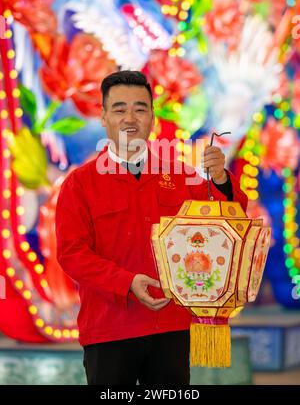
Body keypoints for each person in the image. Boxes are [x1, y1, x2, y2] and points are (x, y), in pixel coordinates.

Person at [56, 70, 248, 386]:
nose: (130, 117)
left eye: (140, 108)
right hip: (109, 329)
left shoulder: (181, 175)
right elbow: (72, 255)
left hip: (171, 326)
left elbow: (227, 221)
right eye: (119, 109)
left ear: (152, 118)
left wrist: (221, 180)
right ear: (103, 117)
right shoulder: (80, 184)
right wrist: (127, 282)